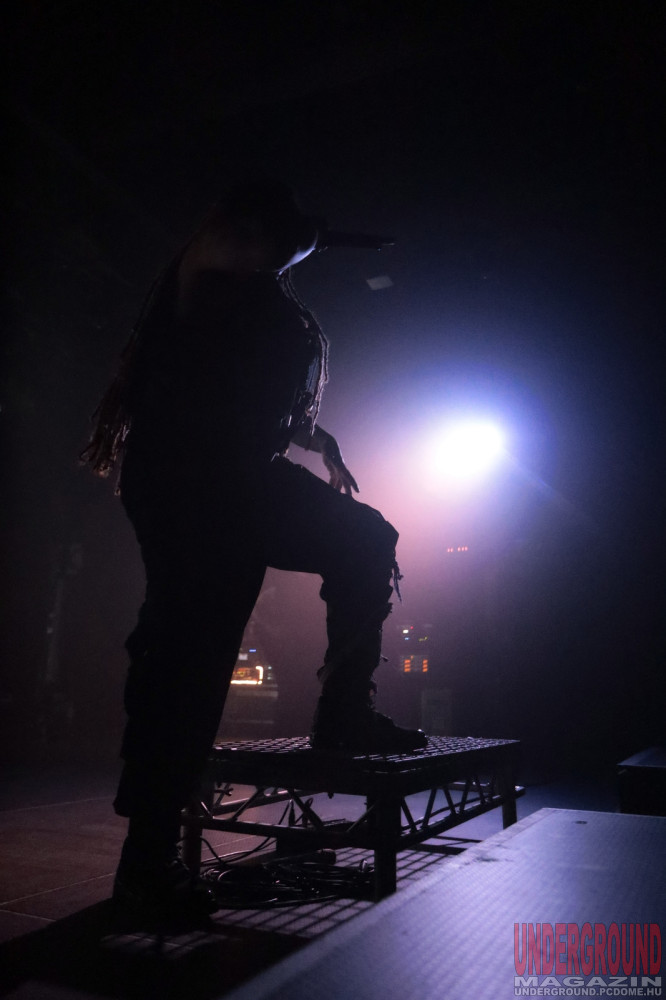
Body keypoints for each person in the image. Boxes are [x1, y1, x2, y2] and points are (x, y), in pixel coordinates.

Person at [82, 179, 426, 915]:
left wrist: (318, 438)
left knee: (366, 539)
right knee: (190, 653)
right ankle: (145, 863)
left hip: (243, 476)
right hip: (189, 483)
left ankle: (343, 711)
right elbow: (262, 246)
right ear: (254, 224)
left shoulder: (254, 287)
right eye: (288, 230)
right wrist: (323, 235)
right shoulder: (210, 259)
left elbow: (252, 396)